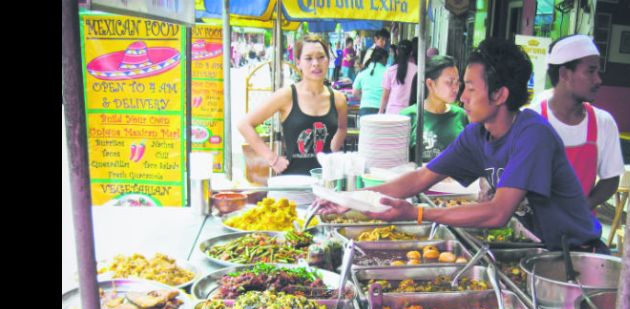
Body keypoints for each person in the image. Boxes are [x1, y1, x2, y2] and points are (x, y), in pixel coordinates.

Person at [320, 38, 603, 253]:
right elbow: (421, 178)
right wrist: (353, 199)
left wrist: (418, 213)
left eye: (470, 87)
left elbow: (497, 212)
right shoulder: (477, 134)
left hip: (576, 256)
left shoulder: (532, 135)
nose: (462, 97)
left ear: (499, 94)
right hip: (540, 250)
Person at [530, 34, 624, 215]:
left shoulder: (603, 123)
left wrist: (583, 206)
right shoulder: (532, 119)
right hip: (532, 227)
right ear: (565, 74)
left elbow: (611, 179)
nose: (598, 80)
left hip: (579, 229)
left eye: (598, 72)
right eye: (590, 71)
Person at [237, 34, 348, 175]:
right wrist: (273, 159)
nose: (315, 63)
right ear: (298, 63)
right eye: (308, 58)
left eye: (321, 57)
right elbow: (244, 125)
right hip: (292, 183)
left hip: (326, 181)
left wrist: (332, 151)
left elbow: (342, 127)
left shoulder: (338, 99)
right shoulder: (286, 95)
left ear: (328, 60)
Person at [401, 55, 468, 165]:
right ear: (430, 84)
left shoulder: (461, 116)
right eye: (449, 82)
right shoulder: (408, 117)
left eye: (457, 82)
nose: (455, 88)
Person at [379, 39, 417, 114]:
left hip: (392, 113)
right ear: (411, 52)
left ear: (397, 51)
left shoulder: (390, 70)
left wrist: (380, 111)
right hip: (410, 113)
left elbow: (385, 95)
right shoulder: (417, 70)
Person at [353, 46, 389, 117]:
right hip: (382, 110)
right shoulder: (388, 72)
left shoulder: (362, 73)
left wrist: (364, 99)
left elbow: (355, 93)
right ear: (383, 58)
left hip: (365, 109)